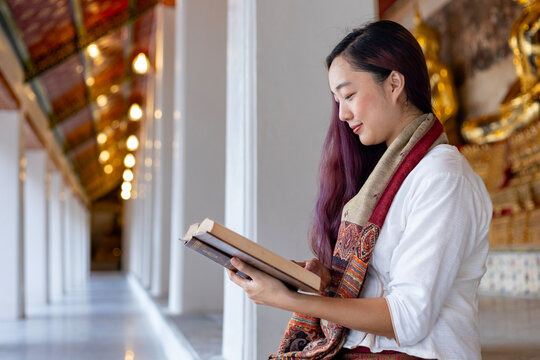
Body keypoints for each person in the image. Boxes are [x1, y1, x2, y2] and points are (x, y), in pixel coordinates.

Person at [227, 20, 492, 360]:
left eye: (349, 95)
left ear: (394, 83)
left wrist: (288, 300)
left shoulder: (442, 176)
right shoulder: (384, 179)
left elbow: (408, 318)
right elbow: (381, 283)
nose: (342, 114)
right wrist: (327, 281)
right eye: (337, 100)